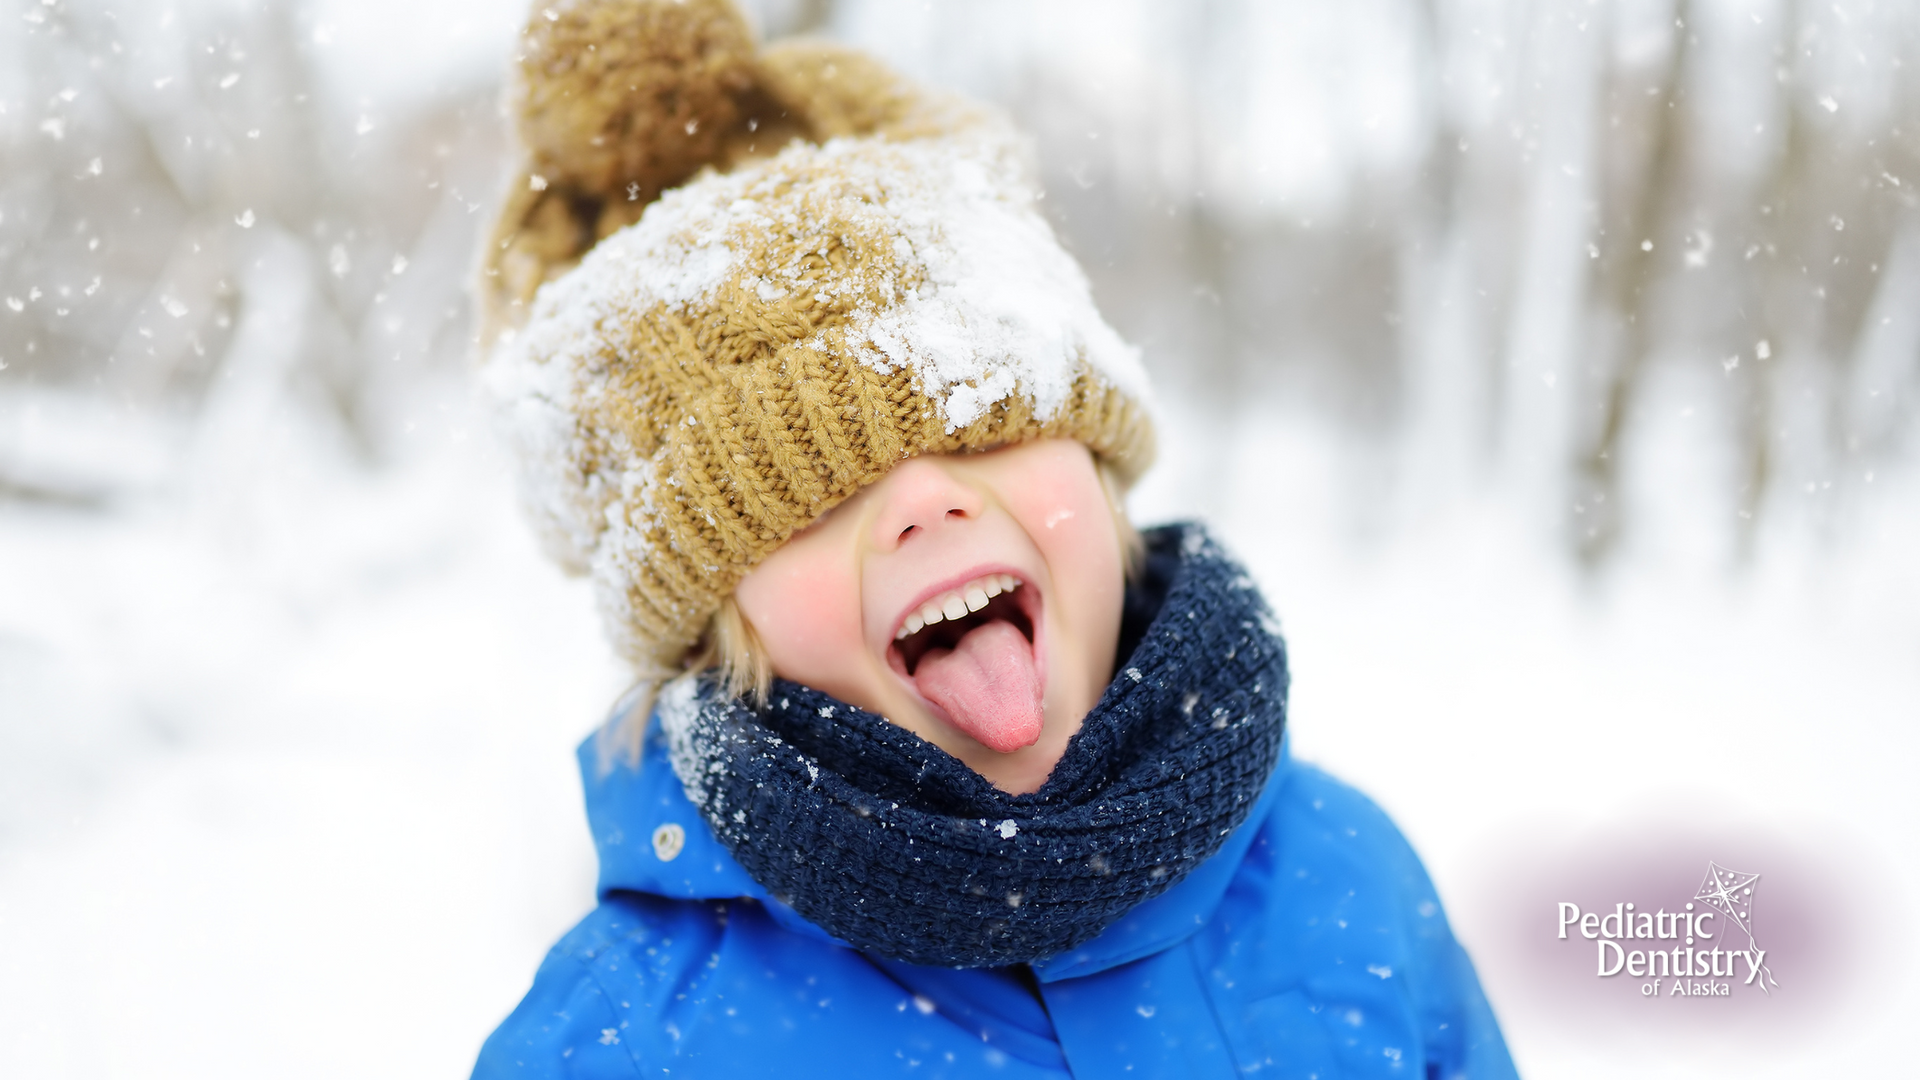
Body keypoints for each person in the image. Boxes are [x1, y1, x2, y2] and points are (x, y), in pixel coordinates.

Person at [472, 1, 1519, 1076]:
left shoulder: (1346, 877)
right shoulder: (625, 1042)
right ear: (705, 626)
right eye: (809, 499)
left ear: (1100, 469)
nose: (924, 501)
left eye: (982, 420)